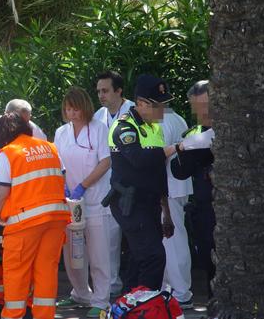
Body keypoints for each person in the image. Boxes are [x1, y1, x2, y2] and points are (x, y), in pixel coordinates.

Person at [0, 112, 70, 319]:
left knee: (16, 274)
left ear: (3, 134)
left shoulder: (9, 153)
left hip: (25, 223)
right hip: (56, 220)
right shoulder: (50, 147)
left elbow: (1, 192)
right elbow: (61, 177)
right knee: (46, 272)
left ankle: (13, 315)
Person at [106, 74, 179, 291]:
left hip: (149, 203)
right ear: (140, 103)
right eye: (158, 106)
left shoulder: (154, 128)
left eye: (165, 105)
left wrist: (166, 211)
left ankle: (129, 306)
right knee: (154, 257)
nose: (162, 111)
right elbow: (139, 159)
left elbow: (158, 172)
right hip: (129, 203)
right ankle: (147, 306)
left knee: (138, 261)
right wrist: (177, 147)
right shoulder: (123, 127)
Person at [0, 99, 46, 319]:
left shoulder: (37, 134)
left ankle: (27, 304)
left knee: (24, 251)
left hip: (25, 200)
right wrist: (0, 190)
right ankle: (2, 301)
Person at [53, 87, 112, 318]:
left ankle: (101, 300)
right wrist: (65, 185)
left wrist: (83, 185)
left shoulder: (99, 129)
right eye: (67, 109)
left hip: (95, 200)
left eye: (75, 109)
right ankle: (80, 293)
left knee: (98, 253)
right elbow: (58, 164)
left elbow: (105, 162)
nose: (71, 113)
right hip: (71, 202)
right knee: (72, 253)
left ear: (84, 108)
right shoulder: (61, 132)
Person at [171, 80, 216, 298]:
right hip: (203, 209)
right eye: (196, 108)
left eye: (205, 106)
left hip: (233, 212)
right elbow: (180, 170)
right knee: (207, 261)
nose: (202, 113)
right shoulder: (193, 133)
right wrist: (188, 145)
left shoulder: (235, 131)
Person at [93, 70, 133, 295]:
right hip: (106, 187)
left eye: (105, 90)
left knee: (137, 240)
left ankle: (144, 288)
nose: (101, 95)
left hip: (132, 186)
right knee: (108, 241)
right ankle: (111, 287)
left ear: (119, 91)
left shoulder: (135, 112)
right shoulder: (98, 115)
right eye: (99, 91)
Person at [161, 108, 194, 308]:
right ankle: (174, 289)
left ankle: (181, 292)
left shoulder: (162, 122)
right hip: (178, 185)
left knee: (173, 242)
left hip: (170, 188)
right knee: (173, 240)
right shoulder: (178, 117)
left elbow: (159, 155)